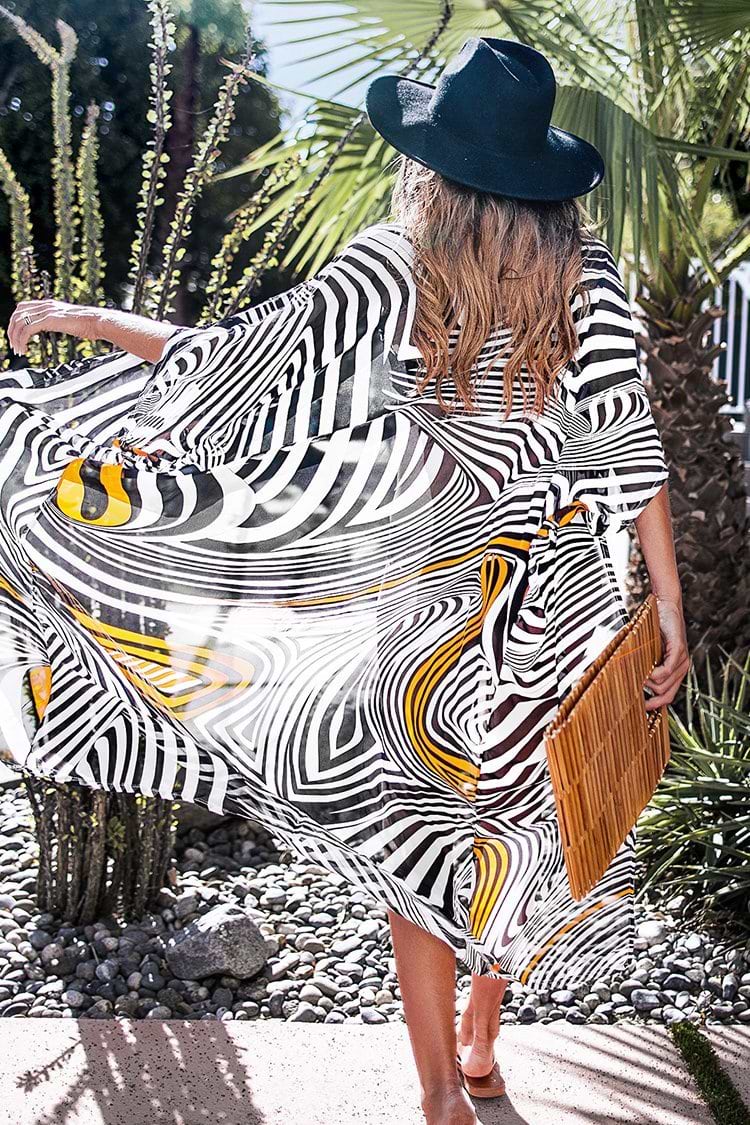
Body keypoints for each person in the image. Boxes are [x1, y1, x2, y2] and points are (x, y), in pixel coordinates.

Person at [2, 37, 688, 1125]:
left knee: (421, 845)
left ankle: (441, 1095)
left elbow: (230, 360)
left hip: (425, 611)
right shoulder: (588, 275)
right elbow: (632, 448)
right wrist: (671, 612)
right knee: (529, 825)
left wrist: (85, 322)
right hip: (561, 605)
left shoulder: (391, 264)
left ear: (435, 160)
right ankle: (482, 1043)